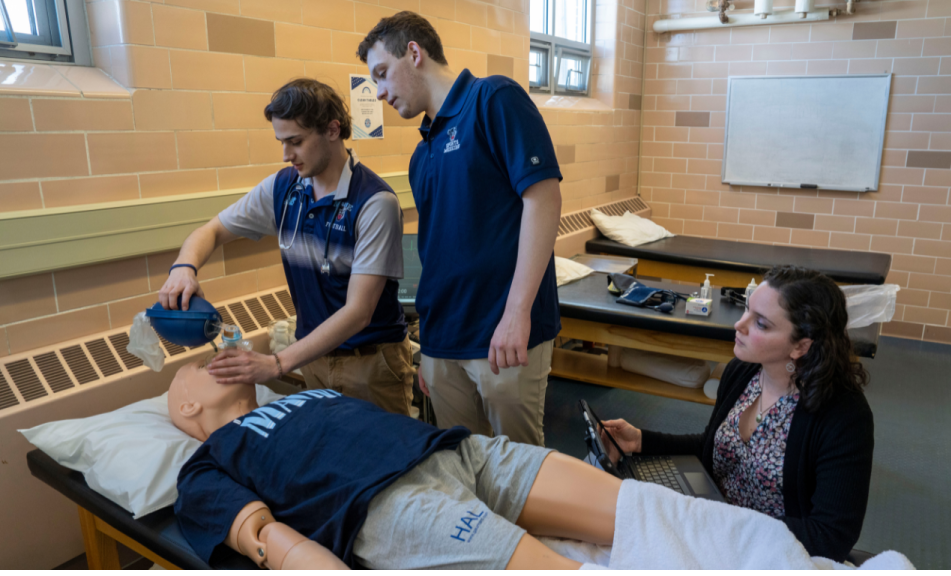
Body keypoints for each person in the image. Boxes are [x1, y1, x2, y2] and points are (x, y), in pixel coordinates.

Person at [167, 360, 621, 569]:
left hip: (459, 451)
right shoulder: (205, 464)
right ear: (187, 405)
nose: (214, 360)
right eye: (200, 367)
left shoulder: (299, 392)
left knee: (640, 512)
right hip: (387, 502)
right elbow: (264, 537)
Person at [357, 12, 563, 446]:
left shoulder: (492, 99)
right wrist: (428, 350)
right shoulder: (422, 153)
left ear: (414, 53)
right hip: (443, 345)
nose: (378, 92)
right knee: (465, 471)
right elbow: (437, 253)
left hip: (503, 337)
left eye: (382, 74)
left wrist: (517, 312)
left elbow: (543, 200)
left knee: (521, 477)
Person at [157, 79, 416, 416]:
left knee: (386, 461)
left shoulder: (373, 203)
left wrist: (276, 364)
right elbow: (211, 231)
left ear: (332, 130)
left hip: (370, 363)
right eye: (281, 142)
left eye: (295, 142)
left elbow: (358, 312)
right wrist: (183, 269)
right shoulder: (284, 188)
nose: (285, 155)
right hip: (314, 358)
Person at [599, 265, 874, 562]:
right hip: (709, 522)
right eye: (746, 310)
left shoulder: (844, 416)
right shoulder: (743, 372)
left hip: (765, 552)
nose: (739, 326)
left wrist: (720, 522)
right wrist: (641, 441)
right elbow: (712, 445)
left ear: (801, 346)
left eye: (761, 324)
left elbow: (830, 536)